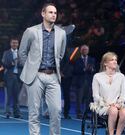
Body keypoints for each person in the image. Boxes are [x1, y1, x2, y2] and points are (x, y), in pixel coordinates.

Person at [18, 3, 66, 135]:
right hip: (36, 75)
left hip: (53, 76)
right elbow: (22, 52)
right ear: (43, 14)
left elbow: (60, 55)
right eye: (50, 12)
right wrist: (30, 68)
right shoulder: (31, 31)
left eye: (55, 13)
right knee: (34, 112)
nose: (53, 15)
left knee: (56, 111)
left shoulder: (61, 33)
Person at [90, 52, 125, 135]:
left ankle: (118, 133)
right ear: (105, 63)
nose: (115, 61)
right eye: (112, 60)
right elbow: (95, 95)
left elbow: (123, 94)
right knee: (113, 111)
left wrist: (119, 103)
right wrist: (106, 103)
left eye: (116, 60)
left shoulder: (121, 76)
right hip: (102, 106)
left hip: (117, 105)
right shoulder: (97, 76)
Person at [72, 44, 95, 119]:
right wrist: (84, 69)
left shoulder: (92, 59)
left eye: (86, 50)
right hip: (80, 82)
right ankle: (79, 113)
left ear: (88, 51)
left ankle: (86, 114)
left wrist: (91, 69)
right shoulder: (77, 60)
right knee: (79, 99)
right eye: (83, 50)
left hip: (89, 82)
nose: (85, 51)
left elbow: (95, 70)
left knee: (88, 99)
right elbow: (75, 71)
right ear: (81, 51)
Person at [2, 37, 22, 118]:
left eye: (16, 43)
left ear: (18, 44)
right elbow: (4, 64)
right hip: (9, 77)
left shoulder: (21, 53)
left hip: (18, 77)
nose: (14, 44)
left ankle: (17, 113)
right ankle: (7, 112)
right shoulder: (6, 53)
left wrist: (18, 63)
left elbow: (25, 64)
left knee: (17, 97)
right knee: (8, 96)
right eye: (13, 43)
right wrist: (12, 63)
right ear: (10, 44)